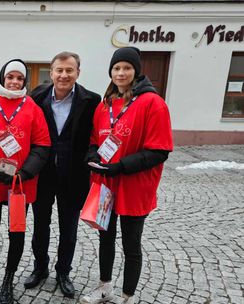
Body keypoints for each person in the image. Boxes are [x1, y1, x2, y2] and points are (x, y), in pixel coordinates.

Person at [80, 47, 173, 304]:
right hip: (106, 184)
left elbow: (159, 151)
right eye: (116, 68)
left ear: (136, 71)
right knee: (105, 239)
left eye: (127, 68)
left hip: (134, 186)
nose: (121, 73)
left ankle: (127, 296)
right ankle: (104, 287)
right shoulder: (105, 105)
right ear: (111, 72)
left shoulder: (153, 103)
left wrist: (121, 166)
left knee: (131, 245)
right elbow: (94, 139)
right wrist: (92, 155)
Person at [0, 59, 50, 304]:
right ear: (3, 78)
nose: (15, 82)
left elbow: (42, 145)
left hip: (20, 183)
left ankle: (8, 279)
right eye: (10, 77)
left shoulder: (32, 106)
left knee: (16, 232)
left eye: (19, 78)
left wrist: (25, 173)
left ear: (24, 82)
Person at [24, 51, 101, 298]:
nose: (64, 75)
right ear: (52, 72)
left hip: (74, 176)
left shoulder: (91, 100)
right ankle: (40, 268)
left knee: (69, 228)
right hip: (43, 174)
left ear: (78, 72)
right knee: (40, 226)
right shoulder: (36, 97)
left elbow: (95, 137)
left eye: (69, 70)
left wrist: (93, 157)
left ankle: (63, 272)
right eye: (59, 70)